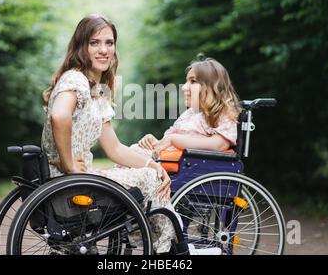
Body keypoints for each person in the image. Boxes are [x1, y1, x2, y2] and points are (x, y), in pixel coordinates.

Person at [41, 15, 219, 255]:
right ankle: (171, 250)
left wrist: (153, 165)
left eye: (109, 43)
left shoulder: (97, 90)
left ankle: (164, 244)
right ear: (81, 46)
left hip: (77, 178)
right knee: (149, 180)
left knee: (148, 170)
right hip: (70, 181)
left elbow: (114, 149)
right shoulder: (76, 79)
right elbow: (59, 117)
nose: (104, 50)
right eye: (95, 43)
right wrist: (69, 164)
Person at [119, 56, 242, 164]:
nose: (184, 87)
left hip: (186, 170)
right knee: (130, 154)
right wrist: (155, 142)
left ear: (211, 87)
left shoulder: (224, 113)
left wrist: (173, 139)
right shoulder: (190, 114)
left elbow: (218, 145)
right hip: (165, 161)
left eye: (193, 81)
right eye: (187, 81)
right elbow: (169, 144)